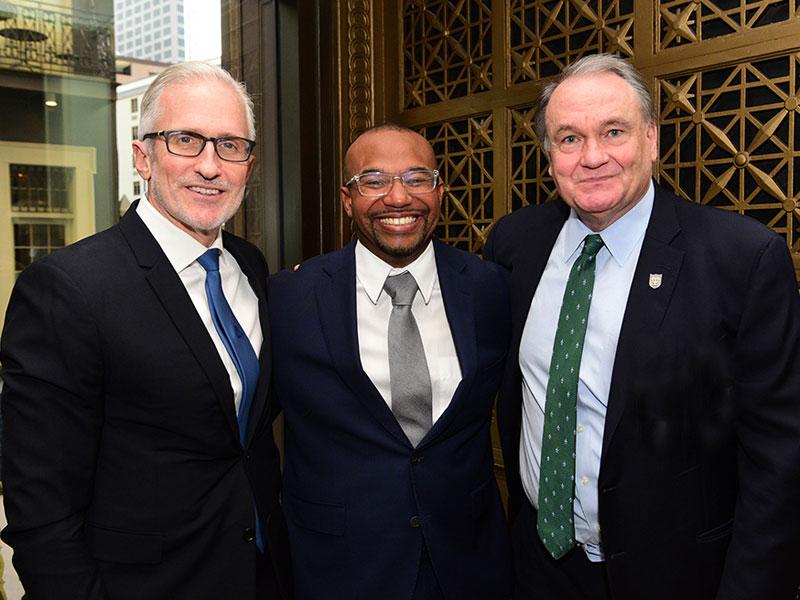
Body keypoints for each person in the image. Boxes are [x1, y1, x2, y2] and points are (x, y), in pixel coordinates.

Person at [484, 53, 800, 600]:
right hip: (537, 566)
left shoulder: (741, 260)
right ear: (549, 156)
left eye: (614, 131)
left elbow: (779, 459)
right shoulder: (515, 244)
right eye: (569, 139)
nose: (593, 157)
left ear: (652, 138)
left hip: (676, 575)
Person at [0, 62, 290, 600]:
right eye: (186, 140)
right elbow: (41, 510)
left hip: (261, 574)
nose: (210, 166)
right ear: (142, 157)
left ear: (248, 164)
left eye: (230, 145)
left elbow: (238, 424)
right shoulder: (68, 289)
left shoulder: (249, 265)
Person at [268, 124, 513, 599]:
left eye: (417, 178)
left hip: (468, 564)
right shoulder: (289, 297)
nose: (398, 198)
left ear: (440, 191)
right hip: (339, 569)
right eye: (374, 181)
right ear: (347, 199)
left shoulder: (490, 289)